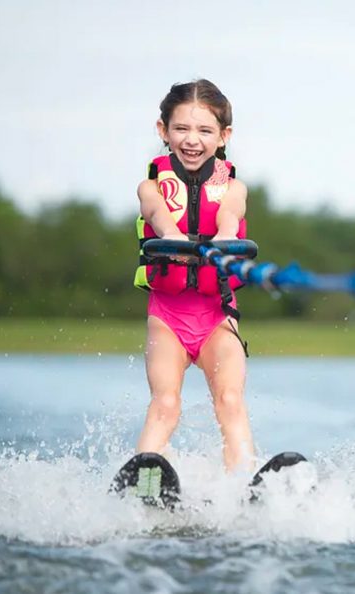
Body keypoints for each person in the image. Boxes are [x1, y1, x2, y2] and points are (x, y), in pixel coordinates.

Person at [133, 79, 254, 473]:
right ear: (163, 130)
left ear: (223, 137)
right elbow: (157, 214)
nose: (191, 139)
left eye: (204, 130)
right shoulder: (151, 186)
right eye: (181, 128)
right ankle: (144, 480)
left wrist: (224, 236)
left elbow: (230, 213)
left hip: (218, 315)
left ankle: (242, 488)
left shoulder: (234, 187)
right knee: (166, 403)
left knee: (230, 401)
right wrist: (171, 236)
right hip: (168, 317)